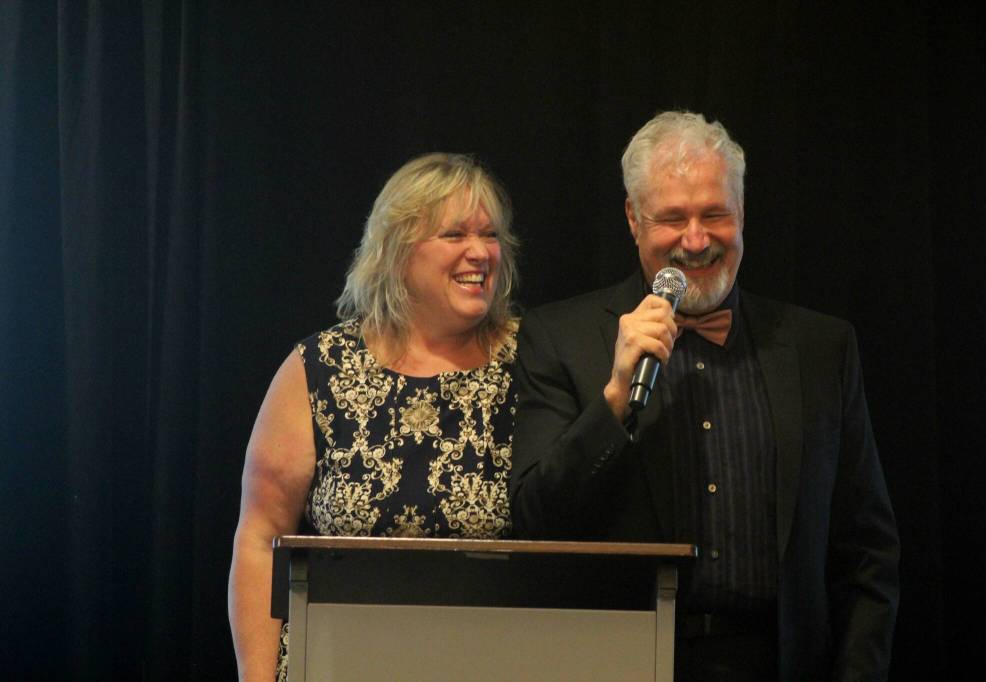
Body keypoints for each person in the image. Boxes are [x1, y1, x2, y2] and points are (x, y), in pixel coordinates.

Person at [510, 111, 899, 680]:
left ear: (741, 215)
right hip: (623, 663)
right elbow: (534, 522)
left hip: (780, 662)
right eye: (672, 218)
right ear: (633, 220)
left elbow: (866, 549)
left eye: (714, 214)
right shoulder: (559, 338)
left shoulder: (821, 346)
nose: (696, 240)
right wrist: (615, 397)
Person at [228, 153, 520, 681]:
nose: (480, 252)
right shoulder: (319, 367)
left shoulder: (531, 365)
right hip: (337, 662)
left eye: (491, 234)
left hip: (487, 661)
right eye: (454, 234)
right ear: (398, 250)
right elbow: (259, 538)